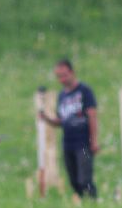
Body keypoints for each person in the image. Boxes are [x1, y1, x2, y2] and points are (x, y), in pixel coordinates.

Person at [39, 58, 98, 199]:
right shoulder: (62, 95)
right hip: (68, 143)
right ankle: (81, 202)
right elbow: (61, 120)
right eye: (59, 77)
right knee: (73, 180)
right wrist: (46, 118)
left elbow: (92, 116)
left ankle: (93, 201)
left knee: (85, 179)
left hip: (83, 143)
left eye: (64, 75)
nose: (62, 79)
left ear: (72, 72)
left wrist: (94, 141)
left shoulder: (84, 91)